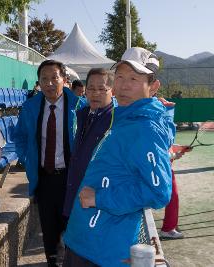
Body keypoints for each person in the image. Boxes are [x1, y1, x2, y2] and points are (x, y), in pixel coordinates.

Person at [63, 47, 174, 267]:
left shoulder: (145, 128)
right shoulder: (125, 117)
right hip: (86, 239)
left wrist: (99, 198)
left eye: (133, 78)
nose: (123, 85)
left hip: (101, 249)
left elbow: (159, 192)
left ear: (153, 87)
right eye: (120, 77)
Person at [14, 59, 83, 266]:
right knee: (49, 230)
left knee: (73, 229)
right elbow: (20, 137)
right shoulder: (30, 107)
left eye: (55, 78)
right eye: (44, 79)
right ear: (39, 82)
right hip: (44, 179)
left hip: (71, 179)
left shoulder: (80, 106)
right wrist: (28, 160)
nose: (50, 83)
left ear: (65, 80)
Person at [63, 68, 115, 219]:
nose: (95, 93)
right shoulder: (82, 115)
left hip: (98, 205)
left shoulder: (116, 120)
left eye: (102, 89)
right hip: (76, 196)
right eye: (91, 88)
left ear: (112, 91)